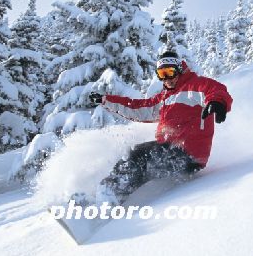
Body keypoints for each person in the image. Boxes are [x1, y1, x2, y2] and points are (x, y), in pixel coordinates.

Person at [87, 51, 233, 206]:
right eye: (162, 74)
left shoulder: (194, 85)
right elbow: (138, 108)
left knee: (140, 154)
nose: (167, 79)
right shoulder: (164, 98)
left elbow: (216, 90)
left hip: (188, 153)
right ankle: (108, 201)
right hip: (171, 152)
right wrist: (105, 100)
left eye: (170, 72)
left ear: (179, 69)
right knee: (142, 168)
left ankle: (109, 194)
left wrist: (217, 103)